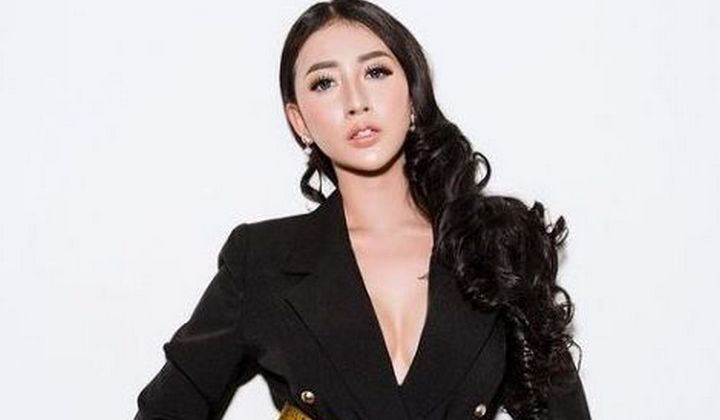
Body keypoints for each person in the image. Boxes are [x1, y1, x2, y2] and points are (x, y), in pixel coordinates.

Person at [133, 1, 592, 419]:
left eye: (375, 72)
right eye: (325, 82)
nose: (356, 102)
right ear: (299, 121)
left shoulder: (496, 244)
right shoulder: (262, 260)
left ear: (413, 95)